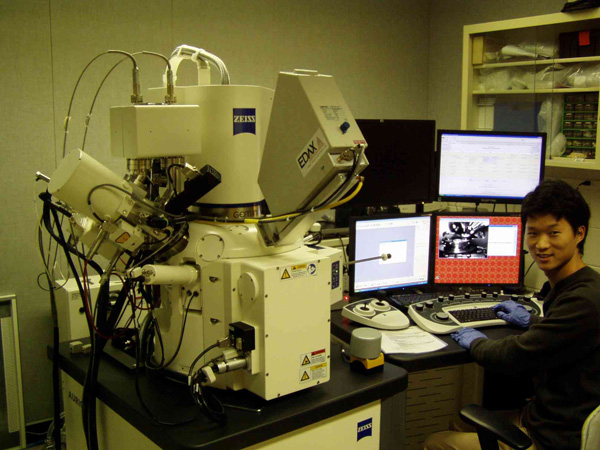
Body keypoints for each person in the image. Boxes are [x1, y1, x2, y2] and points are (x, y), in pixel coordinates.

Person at [424, 179, 600, 450]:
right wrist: (533, 321)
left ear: (579, 234)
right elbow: (566, 336)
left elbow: (514, 355)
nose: (541, 245)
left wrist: (476, 342)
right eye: (533, 233)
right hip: (549, 417)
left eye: (553, 233)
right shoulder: (583, 284)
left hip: (555, 439)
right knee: (460, 422)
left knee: (436, 443)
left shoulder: (583, 299)